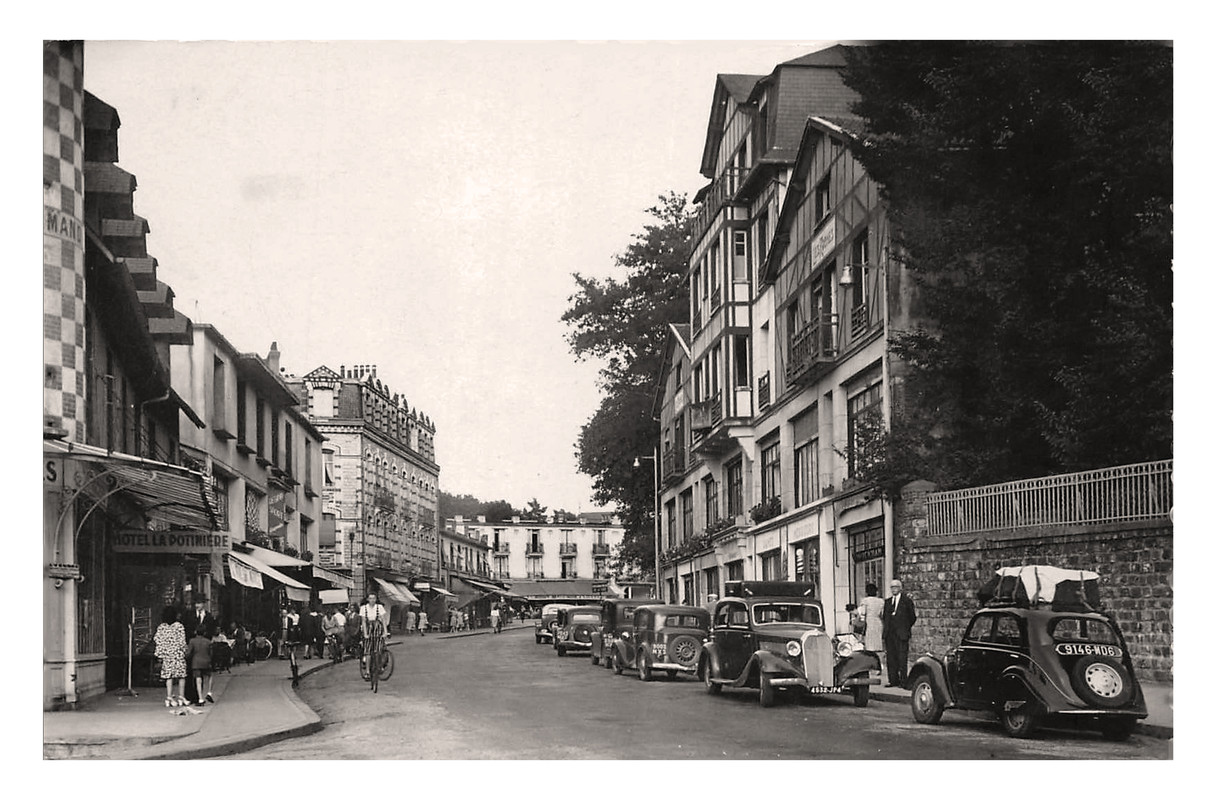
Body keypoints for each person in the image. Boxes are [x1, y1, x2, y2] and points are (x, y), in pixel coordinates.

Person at [882, 579, 917, 687]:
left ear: (900, 588)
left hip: (901, 634)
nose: (894, 589)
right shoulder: (887, 602)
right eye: (892, 587)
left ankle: (903, 681)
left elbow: (912, 617)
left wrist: (905, 628)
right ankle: (893, 680)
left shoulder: (906, 601)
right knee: (891, 658)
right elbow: (885, 617)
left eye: (896, 587)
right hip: (890, 634)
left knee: (902, 658)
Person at [153, 606, 188, 708]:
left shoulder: (161, 627)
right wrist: (185, 650)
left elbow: (157, 639)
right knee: (181, 676)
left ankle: (169, 698)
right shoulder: (179, 626)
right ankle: (181, 697)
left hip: (167, 656)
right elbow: (182, 642)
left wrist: (161, 653)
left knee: (169, 676)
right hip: (178, 654)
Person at [358, 591, 390, 670]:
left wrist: (385, 632)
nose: (372, 600)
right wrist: (365, 634)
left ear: (376, 599)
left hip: (377, 627)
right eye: (370, 598)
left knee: (378, 649)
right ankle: (368, 671)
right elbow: (364, 621)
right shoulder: (363, 608)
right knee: (368, 651)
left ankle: (379, 665)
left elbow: (383, 620)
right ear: (368, 599)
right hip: (368, 628)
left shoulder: (379, 607)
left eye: (374, 598)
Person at [185, 626, 215, 705]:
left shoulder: (192, 641)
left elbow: (188, 653)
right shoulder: (208, 641)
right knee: (210, 676)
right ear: (204, 633)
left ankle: (200, 698)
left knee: (198, 680)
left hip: (196, 663)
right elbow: (211, 653)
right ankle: (209, 692)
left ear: (195, 632)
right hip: (207, 661)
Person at [858, 583, 886, 657]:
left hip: (869, 622)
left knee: (869, 644)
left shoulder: (865, 601)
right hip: (878, 621)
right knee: (877, 643)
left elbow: (863, 613)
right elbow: (882, 614)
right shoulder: (881, 601)